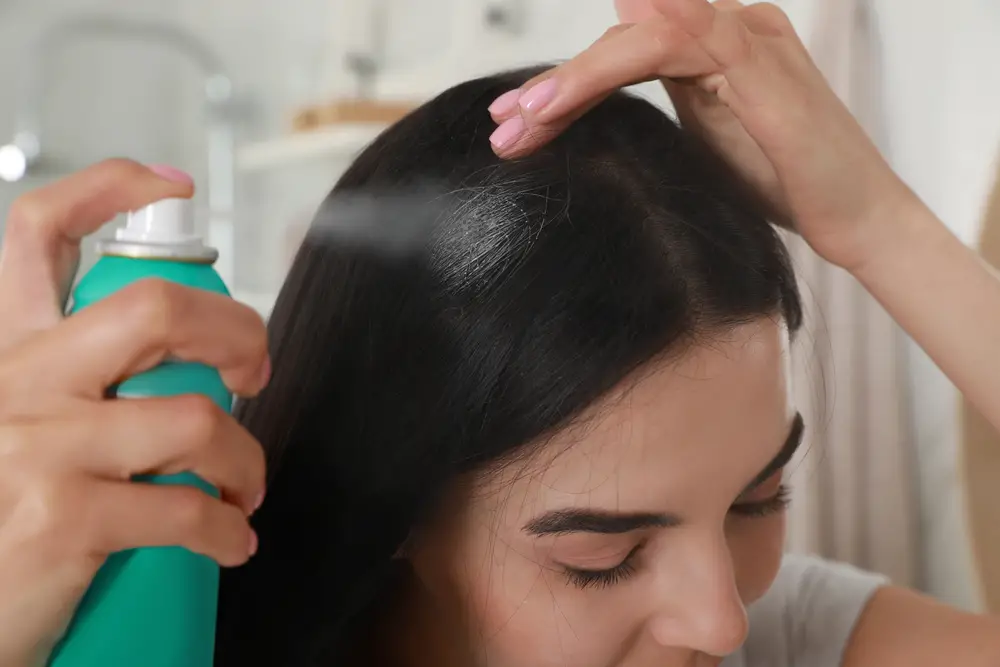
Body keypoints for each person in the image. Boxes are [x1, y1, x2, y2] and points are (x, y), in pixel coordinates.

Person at [0, 2, 997, 667]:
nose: (717, 621)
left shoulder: (790, 637)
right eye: (601, 556)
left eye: (756, 498)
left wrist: (881, 227)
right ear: (392, 513)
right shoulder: (161, 638)